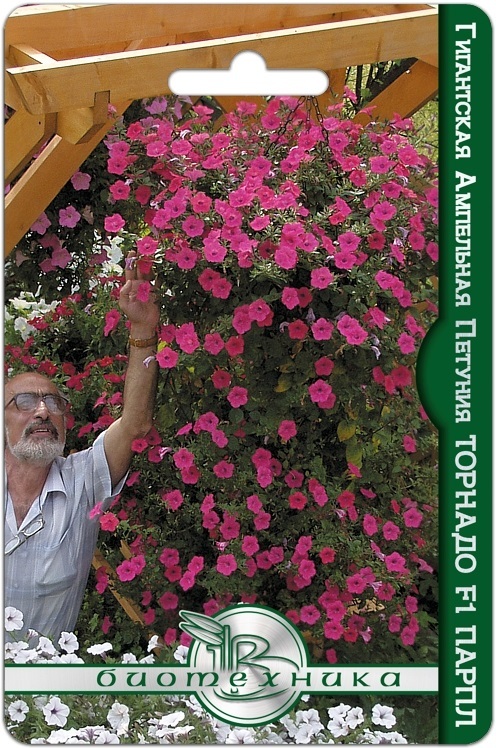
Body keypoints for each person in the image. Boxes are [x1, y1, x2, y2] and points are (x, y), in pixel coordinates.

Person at [4, 254, 159, 642]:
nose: (43, 411)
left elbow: (136, 424)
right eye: (25, 402)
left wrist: (143, 328)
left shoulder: (82, 482)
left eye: (54, 403)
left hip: (44, 678)